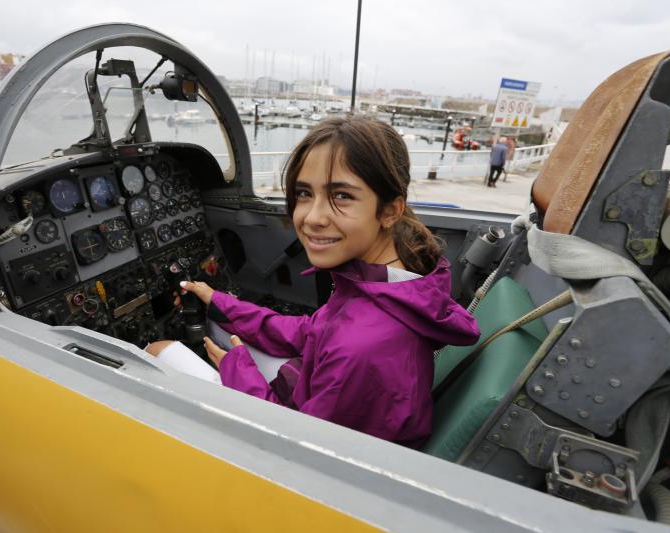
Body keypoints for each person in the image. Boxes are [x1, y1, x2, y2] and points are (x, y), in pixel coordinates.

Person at [148, 117, 480, 448]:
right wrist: (219, 301)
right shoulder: (388, 284)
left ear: (390, 211)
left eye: (342, 196)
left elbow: (295, 443)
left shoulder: (362, 345)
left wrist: (237, 369)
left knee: (158, 350)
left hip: (309, 448)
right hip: (320, 397)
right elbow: (311, 332)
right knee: (216, 322)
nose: (312, 217)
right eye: (304, 193)